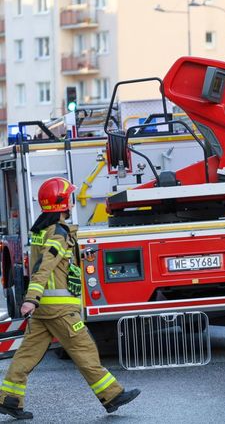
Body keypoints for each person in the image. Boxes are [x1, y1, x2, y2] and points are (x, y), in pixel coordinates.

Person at [0, 178, 140, 419]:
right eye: (70, 196)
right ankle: (112, 395)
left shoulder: (42, 230)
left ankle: (9, 399)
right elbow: (45, 266)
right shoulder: (59, 233)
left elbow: (50, 263)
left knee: (27, 354)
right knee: (84, 349)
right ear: (64, 203)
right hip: (60, 310)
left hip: (45, 310)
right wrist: (30, 298)